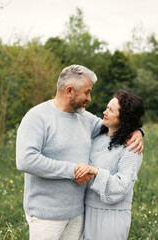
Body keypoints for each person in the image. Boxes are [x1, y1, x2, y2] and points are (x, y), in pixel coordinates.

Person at [16, 65, 143, 240]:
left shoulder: (86, 119)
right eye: (87, 92)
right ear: (69, 91)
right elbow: (26, 160)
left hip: (78, 214)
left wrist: (137, 131)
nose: (89, 98)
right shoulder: (37, 117)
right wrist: (73, 171)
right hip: (46, 216)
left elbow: (117, 125)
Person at [75, 90, 145, 240]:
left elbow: (122, 186)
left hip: (111, 218)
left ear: (124, 118)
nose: (104, 112)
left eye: (111, 110)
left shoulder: (131, 147)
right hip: (87, 212)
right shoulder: (97, 136)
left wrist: (95, 171)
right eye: (107, 107)